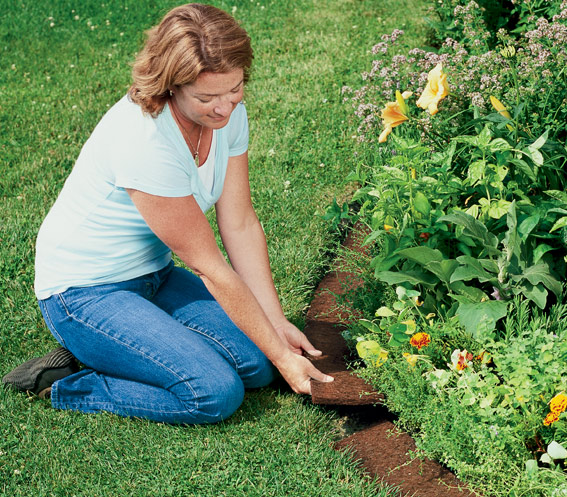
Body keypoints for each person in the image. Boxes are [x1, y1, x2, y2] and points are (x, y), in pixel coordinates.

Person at [2, 3, 333, 424]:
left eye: (234, 90)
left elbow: (241, 223)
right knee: (214, 393)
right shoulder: (145, 140)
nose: (224, 108)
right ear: (171, 85)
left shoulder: (227, 117)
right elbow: (211, 267)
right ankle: (70, 380)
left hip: (153, 277)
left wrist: (276, 325)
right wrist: (288, 359)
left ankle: (123, 349)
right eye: (206, 97)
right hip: (85, 293)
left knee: (258, 365)